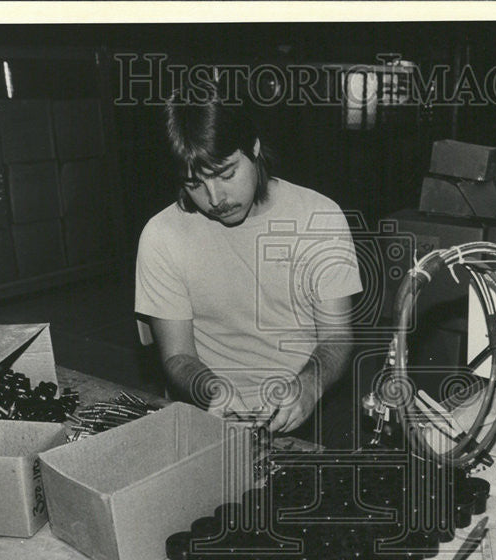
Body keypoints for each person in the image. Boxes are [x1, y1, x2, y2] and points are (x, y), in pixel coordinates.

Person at [135, 92, 362, 441]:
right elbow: (178, 354)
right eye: (194, 183)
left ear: (254, 149)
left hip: (308, 409)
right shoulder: (162, 236)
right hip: (211, 415)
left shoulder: (319, 217)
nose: (215, 199)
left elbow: (337, 336)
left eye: (226, 173)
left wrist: (308, 386)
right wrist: (209, 390)